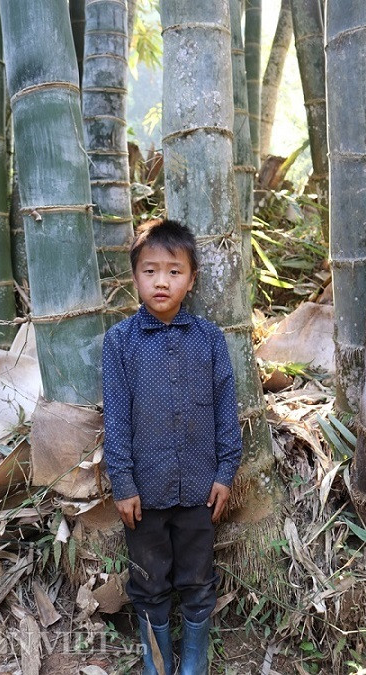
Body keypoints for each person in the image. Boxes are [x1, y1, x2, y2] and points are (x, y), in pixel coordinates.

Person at [102, 219, 242, 674]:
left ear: (192, 278)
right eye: (150, 270)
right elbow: (118, 418)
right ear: (135, 276)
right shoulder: (120, 342)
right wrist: (122, 482)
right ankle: (156, 662)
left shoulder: (210, 339)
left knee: (199, 578)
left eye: (174, 271)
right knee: (148, 582)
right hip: (143, 494)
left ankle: (195, 661)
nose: (162, 281)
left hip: (201, 490)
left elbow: (226, 409)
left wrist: (225, 473)